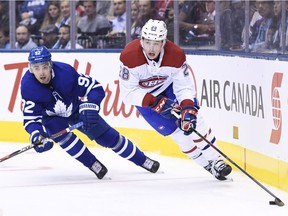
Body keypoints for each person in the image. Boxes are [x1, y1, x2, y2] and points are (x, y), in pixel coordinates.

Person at [20, 46, 160, 180]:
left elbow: (95, 87)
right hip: (51, 117)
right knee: (64, 137)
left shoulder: (66, 73)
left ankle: (142, 160)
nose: (41, 72)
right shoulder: (28, 86)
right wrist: (36, 134)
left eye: (44, 66)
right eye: (36, 68)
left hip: (74, 109)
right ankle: (92, 163)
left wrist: (90, 106)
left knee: (108, 137)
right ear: (30, 68)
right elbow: (31, 119)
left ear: (50, 65)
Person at [119, 19, 232, 181]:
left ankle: (217, 160)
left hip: (169, 88)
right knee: (179, 136)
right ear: (141, 40)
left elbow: (184, 87)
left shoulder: (176, 55)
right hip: (145, 98)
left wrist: (187, 108)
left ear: (163, 43)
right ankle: (207, 165)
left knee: (194, 122)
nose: (151, 48)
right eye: (147, 42)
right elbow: (128, 94)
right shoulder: (130, 56)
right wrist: (155, 102)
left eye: (156, 43)